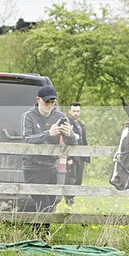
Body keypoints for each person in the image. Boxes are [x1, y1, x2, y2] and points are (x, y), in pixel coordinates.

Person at [21, 85, 78, 220]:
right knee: (43, 204)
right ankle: (41, 231)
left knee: (50, 204)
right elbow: (27, 140)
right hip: (33, 166)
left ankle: (41, 231)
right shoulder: (28, 116)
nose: (50, 105)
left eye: (53, 102)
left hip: (51, 166)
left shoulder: (60, 116)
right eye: (47, 102)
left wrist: (69, 134)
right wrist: (48, 133)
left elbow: (73, 142)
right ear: (38, 100)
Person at [64, 101, 88, 206]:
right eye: (74, 111)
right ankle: (69, 199)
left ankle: (72, 198)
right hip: (71, 157)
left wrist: (86, 156)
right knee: (71, 178)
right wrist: (69, 157)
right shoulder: (67, 124)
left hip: (80, 156)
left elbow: (84, 141)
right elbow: (65, 141)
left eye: (78, 111)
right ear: (70, 111)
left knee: (78, 180)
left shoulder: (81, 125)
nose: (76, 113)